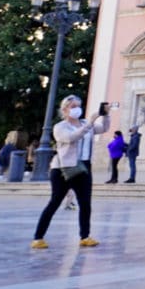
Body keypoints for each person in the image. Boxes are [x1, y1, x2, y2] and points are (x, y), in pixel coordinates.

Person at [32, 95, 109, 248]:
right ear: (65, 109)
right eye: (73, 106)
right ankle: (38, 237)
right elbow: (71, 138)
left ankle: (85, 236)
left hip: (84, 166)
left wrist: (105, 115)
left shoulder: (86, 123)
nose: (76, 109)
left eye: (78, 106)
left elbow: (103, 129)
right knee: (55, 202)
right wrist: (90, 124)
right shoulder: (60, 127)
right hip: (63, 169)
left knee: (85, 203)